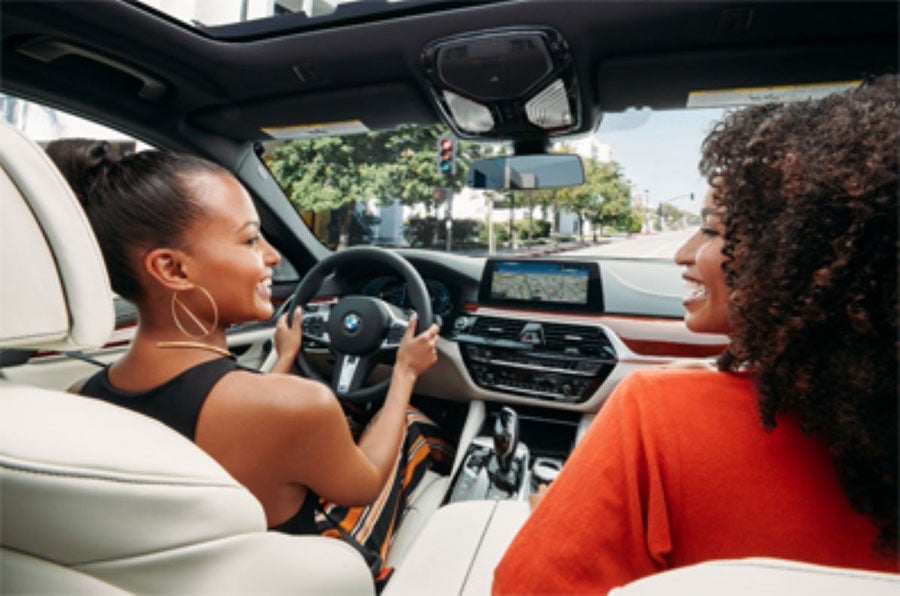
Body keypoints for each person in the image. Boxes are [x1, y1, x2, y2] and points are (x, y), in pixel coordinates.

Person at [493, 76, 898, 594]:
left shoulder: (656, 415)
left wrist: (557, 507)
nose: (683, 253)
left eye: (710, 229)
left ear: (795, 255)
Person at [47, 140, 453, 579]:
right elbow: (366, 482)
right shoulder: (295, 406)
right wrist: (406, 373)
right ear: (173, 270)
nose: (272, 257)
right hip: (299, 572)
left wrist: (283, 358)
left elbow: (226, 420)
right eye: (250, 239)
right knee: (408, 423)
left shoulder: (78, 402)